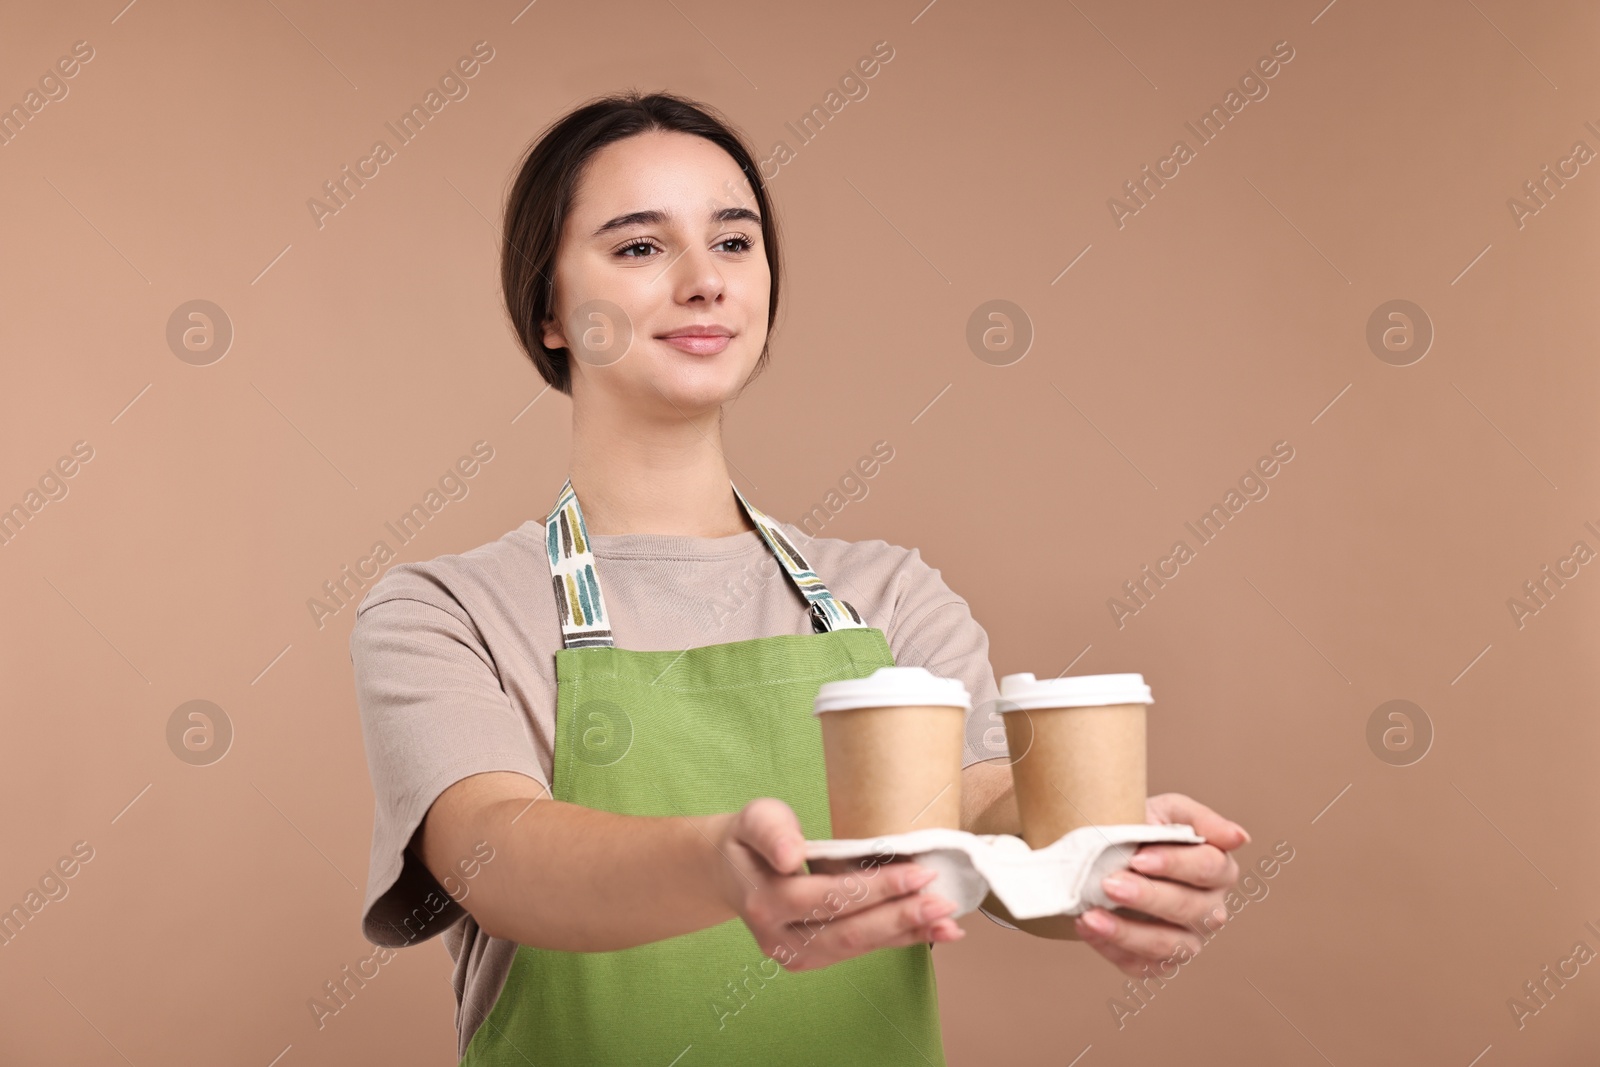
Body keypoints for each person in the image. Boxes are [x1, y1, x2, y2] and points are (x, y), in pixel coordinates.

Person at [349, 90, 1250, 1065]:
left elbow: (983, 813)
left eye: (734, 243)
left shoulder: (891, 591)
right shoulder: (446, 611)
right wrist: (717, 866)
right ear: (549, 309)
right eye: (640, 247)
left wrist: (1105, 853)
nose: (704, 281)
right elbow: (496, 850)